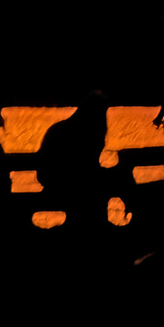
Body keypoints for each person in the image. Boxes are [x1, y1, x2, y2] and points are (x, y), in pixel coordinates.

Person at [39, 95, 115, 231]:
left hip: (58, 180)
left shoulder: (66, 128)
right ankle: (94, 228)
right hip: (61, 181)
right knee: (95, 189)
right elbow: (85, 164)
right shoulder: (85, 130)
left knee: (95, 186)